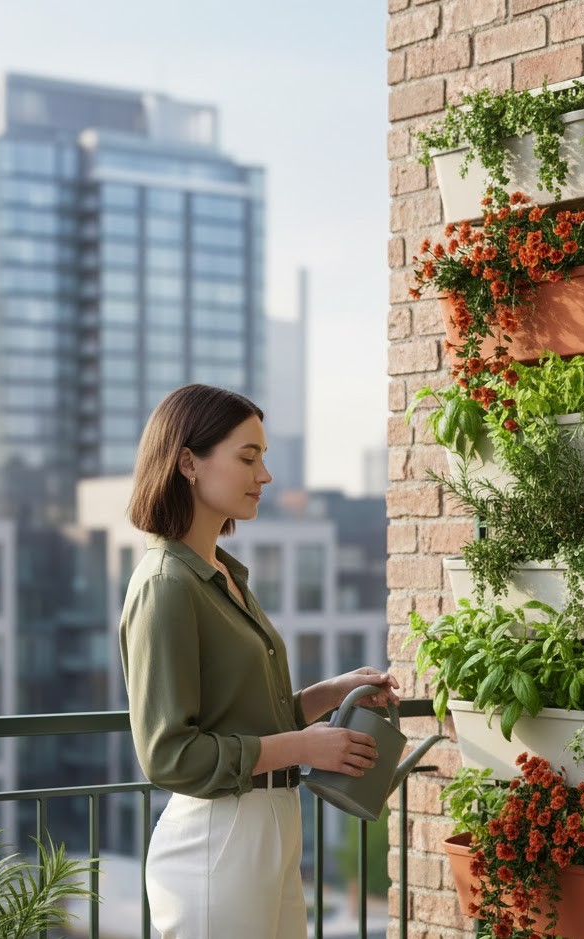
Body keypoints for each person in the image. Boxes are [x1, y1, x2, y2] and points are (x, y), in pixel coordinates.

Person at [119, 383, 399, 939]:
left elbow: (244, 716)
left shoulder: (224, 575)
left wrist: (327, 695)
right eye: (248, 458)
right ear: (187, 463)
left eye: (264, 458)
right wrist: (306, 746)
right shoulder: (166, 584)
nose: (264, 476)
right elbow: (169, 754)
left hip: (273, 828)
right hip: (217, 841)